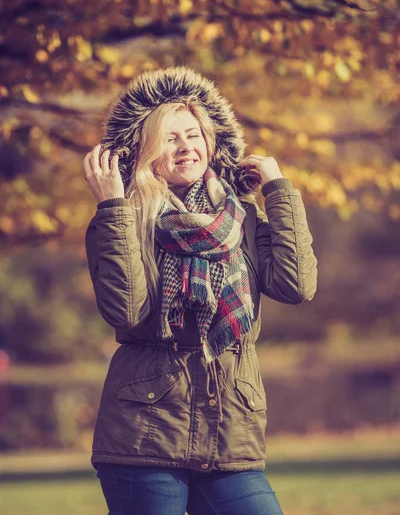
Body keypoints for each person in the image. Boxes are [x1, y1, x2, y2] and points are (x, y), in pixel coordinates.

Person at [83, 66, 318, 515]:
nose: (185, 147)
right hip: (144, 433)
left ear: (211, 142)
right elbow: (127, 311)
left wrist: (279, 192)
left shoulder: (242, 219)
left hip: (230, 431)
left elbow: (297, 285)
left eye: (193, 134)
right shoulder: (122, 220)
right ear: (146, 150)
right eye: (169, 138)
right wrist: (113, 207)